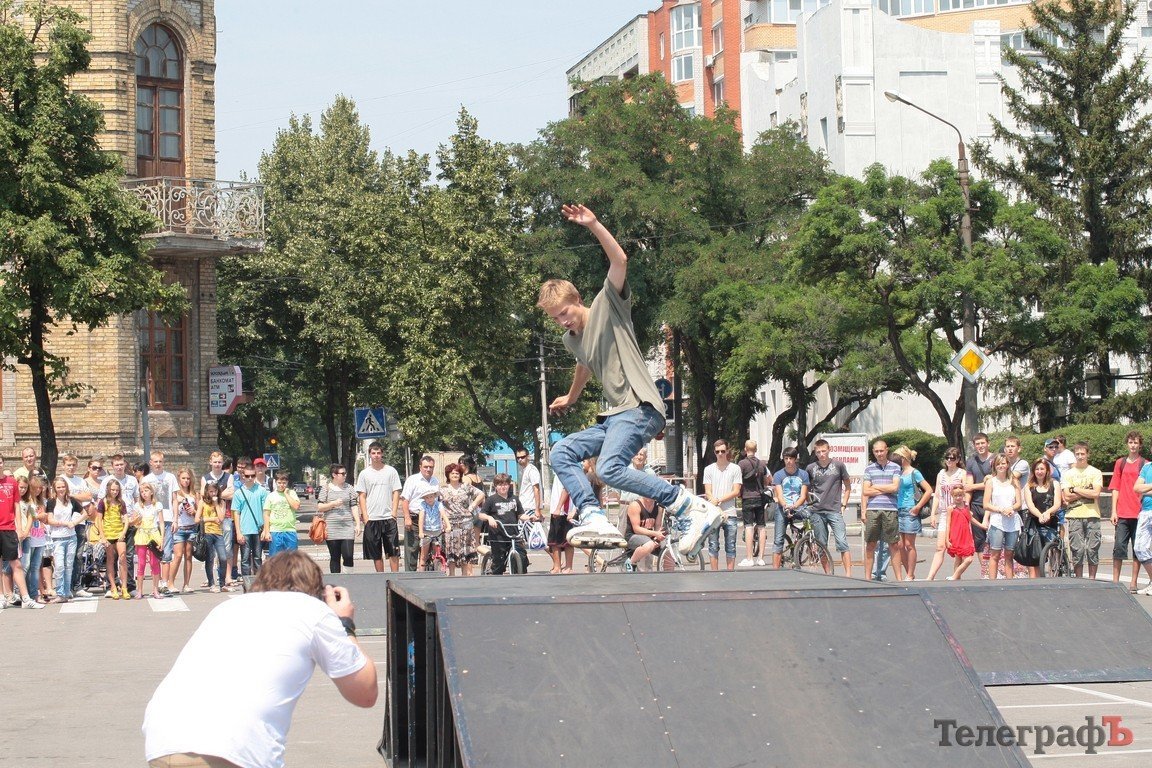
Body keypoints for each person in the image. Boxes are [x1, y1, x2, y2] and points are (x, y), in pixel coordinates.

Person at [540, 203, 722, 553]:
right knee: (561, 451)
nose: (563, 322)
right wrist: (572, 395)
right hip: (615, 417)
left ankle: (686, 504)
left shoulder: (609, 304)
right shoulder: (570, 339)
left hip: (640, 407)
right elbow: (586, 362)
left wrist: (593, 224)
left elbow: (620, 261)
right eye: (555, 318)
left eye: (565, 313)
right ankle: (592, 513)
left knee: (608, 467)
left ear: (577, 300)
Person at [143, 550, 377, 768]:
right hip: (231, 749)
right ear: (317, 591)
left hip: (162, 740)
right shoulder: (313, 610)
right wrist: (344, 623)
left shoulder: (228, 607)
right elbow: (365, 693)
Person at [804, 438, 852, 576]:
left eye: (824, 451)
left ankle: (848, 574)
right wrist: (809, 502)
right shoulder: (811, 468)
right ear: (815, 452)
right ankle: (828, 574)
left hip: (834, 509)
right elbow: (806, 488)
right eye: (818, 452)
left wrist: (844, 504)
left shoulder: (838, 465)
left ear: (829, 450)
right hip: (817, 511)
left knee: (842, 542)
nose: (821, 454)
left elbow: (848, 486)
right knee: (821, 544)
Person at [1, 459, 44, 609]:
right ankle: (3, 596)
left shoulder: (11, 483)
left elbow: (18, 507)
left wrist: (20, 529)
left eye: (0, 461)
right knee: (4, 567)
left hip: (11, 529)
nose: (23, 489)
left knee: (18, 564)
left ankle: (26, 598)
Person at [355, 442, 403, 573]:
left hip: (388, 517)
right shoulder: (364, 474)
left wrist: (393, 513)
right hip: (372, 518)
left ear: (382, 454)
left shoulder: (390, 471)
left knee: (393, 551)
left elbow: (396, 492)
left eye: (378, 453)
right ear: (369, 454)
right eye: (373, 453)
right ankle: (381, 578)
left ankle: (395, 578)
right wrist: (365, 517)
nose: (376, 456)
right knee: (376, 554)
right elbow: (362, 496)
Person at [1108, 431, 1146, 590]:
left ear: (1140, 445)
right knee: (1119, 548)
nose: (1133, 445)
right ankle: (1116, 582)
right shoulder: (1120, 463)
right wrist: (1113, 511)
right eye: (1131, 442)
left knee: (1137, 549)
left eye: (1136, 443)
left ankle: (1133, 582)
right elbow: (1115, 487)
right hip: (1122, 512)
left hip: (1138, 512)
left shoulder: (1145, 464)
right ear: (1127, 444)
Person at [1061, 442, 1103, 579]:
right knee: (1077, 549)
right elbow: (1067, 496)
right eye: (1077, 454)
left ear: (1087, 454)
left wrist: (1076, 489)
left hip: (1092, 515)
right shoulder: (1068, 474)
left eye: (1082, 454)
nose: (1080, 457)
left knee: (1092, 549)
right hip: (1074, 515)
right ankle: (1079, 579)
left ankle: (1092, 579)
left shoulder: (1095, 472)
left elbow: (1096, 493)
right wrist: (1086, 491)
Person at [926, 448, 969, 581]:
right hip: (945, 512)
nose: (950, 461)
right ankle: (930, 576)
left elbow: (966, 492)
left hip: (958, 512)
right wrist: (933, 514)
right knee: (940, 546)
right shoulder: (941, 474)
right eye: (948, 458)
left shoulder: (962, 473)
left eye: (953, 458)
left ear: (958, 460)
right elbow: (937, 495)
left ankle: (957, 576)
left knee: (958, 549)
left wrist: (965, 509)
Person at [891, 445, 932, 581]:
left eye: (897, 458)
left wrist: (918, 506)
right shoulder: (898, 472)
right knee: (900, 545)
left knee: (909, 544)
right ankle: (908, 572)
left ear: (903, 458)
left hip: (910, 509)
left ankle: (910, 574)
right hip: (898, 509)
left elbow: (928, 490)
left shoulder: (914, 473)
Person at [862, 440, 901, 581]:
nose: (879, 454)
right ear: (873, 452)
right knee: (871, 543)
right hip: (873, 509)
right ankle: (867, 578)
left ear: (887, 450)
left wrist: (876, 487)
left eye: (881, 451)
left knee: (893, 544)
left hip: (890, 509)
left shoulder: (895, 467)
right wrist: (885, 488)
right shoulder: (869, 469)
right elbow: (866, 491)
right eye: (876, 451)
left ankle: (899, 579)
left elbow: (895, 488)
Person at [703, 439, 742, 571]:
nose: (720, 454)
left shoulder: (735, 468)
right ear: (714, 452)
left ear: (727, 452)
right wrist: (713, 500)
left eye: (723, 451)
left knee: (730, 545)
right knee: (713, 544)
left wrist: (718, 499)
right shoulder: (708, 469)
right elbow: (707, 491)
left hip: (730, 512)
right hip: (714, 513)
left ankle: (730, 574)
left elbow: (736, 491)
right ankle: (715, 574)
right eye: (718, 451)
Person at [143, 451, 179, 595]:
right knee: (153, 555)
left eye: (160, 462)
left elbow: (175, 499)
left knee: (166, 552)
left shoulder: (170, 477)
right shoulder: (146, 479)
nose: (158, 464)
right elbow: (141, 500)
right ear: (151, 463)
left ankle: (165, 584)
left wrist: (176, 519)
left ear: (163, 462)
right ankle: (155, 586)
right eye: (155, 462)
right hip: (151, 521)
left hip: (168, 518)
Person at [477, 473, 527, 575]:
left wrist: (531, 518)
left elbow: (521, 515)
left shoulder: (514, 499)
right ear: (495, 486)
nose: (503, 487)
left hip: (513, 534)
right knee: (498, 564)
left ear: (509, 485)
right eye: (500, 485)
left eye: (505, 484)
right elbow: (481, 515)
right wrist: (489, 518)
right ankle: (494, 573)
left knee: (522, 556)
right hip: (498, 536)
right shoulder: (491, 500)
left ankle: (519, 575)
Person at [439, 463, 483, 577]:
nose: (454, 475)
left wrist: (472, 507)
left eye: (457, 473)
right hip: (450, 524)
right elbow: (436, 504)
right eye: (452, 473)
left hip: (466, 523)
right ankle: (452, 575)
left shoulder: (466, 486)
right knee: (451, 551)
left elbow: (481, 494)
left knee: (466, 551)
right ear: (448, 475)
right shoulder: (442, 490)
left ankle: (465, 576)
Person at [983, 453, 1022, 581]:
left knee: (1009, 554)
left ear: (1007, 465)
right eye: (998, 463)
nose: (1001, 466)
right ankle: (992, 583)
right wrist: (1000, 510)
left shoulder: (1014, 481)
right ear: (995, 465)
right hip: (997, 521)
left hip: (1012, 521)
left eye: (1003, 463)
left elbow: (1019, 503)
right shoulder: (990, 482)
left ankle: (1009, 582)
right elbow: (986, 504)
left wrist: (1011, 509)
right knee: (995, 553)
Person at [47, 476, 86, 603]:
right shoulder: (51, 502)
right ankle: (60, 592)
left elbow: (86, 513)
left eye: (63, 487)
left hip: (71, 537)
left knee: (69, 565)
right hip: (57, 538)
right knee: (59, 566)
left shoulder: (72, 501)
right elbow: (50, 520)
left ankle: (67, 591)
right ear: (55, 488)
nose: (61, 489)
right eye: (58, 487)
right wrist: (63, 523)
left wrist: (74, 522)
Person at [771, 446, 811, 569]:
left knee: (811, 517)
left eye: (791, 458)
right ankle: (775, 570)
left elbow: (803, 495)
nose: (788, 461)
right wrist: (785, 506)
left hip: (798, 506)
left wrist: (795, 506)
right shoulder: (778, 475)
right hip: (783, 507)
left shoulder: (803, 474)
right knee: (778, 540)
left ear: (795, 459)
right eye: (786, 458)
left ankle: (809, 544)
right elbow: (779, 494)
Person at [201, 451, 236, 588]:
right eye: (215, 462)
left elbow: (232, 493)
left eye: (219, 462)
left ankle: (227, 577)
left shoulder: (229, 476)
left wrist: (216, 495)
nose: (217, 464)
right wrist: (222, 494)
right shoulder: (205, 477)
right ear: (210, 462)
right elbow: (205, 497)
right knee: (211, 552)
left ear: (222, 463)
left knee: (226, 549)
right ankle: (211, 579)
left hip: (226, 516)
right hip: (210, 519)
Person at [316, 464, 358, 575]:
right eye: (342, 473)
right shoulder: (326, 488)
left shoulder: (349, 488)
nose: (345, 475)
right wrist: (333, 504)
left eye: (345, 473)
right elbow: (320, 507)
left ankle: (348, 580)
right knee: (335, 557)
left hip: (347, 526)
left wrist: (358, 523)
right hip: (332, 527)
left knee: (348, 555)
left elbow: (354, 506)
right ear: (334, 475)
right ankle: (336, 583)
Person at [1024, 458, 1061, 579]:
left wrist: (1047, 513)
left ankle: (1053, 573)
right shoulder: (1029, 486)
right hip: (1034, 521)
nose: (1039, 471)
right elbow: (1030, 505)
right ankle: (1035, 579)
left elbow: (1057, 504)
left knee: (1052, 549)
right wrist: (1040, 515)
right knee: (1035, 553)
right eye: (1037, 469)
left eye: (1042, 469)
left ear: (1047, 471)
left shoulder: (1054, 484)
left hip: (1051, 520)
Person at [400, 455, 439, 572]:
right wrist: (407, 518)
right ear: (420, 467)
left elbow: (438, 502)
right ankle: (409, 578)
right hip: (414, 520)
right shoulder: (413, 480)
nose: (428, 469)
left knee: (429, 553)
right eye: (426, 467)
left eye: (431, 467)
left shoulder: (435, 481)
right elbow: (405, 500)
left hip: (431, 521)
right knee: (412, 550)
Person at [738, 440, 771, 568]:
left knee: (748, 526)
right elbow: (767, 480)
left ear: (745, 449)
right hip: (759, 497)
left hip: (747, 497)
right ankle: (761, 558)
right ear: (756, 450)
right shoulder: (762, 464)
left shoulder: (742, 464)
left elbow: (738, 480)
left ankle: (749, 557)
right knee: (762, 526)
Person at [965, 433, 994, 578]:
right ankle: (986, 572)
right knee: (979, 541)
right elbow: (967, 487)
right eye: (978, 444)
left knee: (995, 540)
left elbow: (996, 482)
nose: (980, 446)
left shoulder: (996, 459)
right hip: (975, 504)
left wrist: (978, 485)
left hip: (993, 505)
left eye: (983, 443)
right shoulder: (971, 461)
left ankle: (997, 571)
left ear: (988, 443)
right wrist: (966, 505)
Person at [97, 478, 131, 600]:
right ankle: (113, 586)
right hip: (108, 534)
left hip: (119, 533)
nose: (114, 492)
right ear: (108, 489)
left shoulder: (121, 503)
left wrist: (123, 532)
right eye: (112, 490)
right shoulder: (103, 502)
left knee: (122, 558)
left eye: (117, 490)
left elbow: (126, 519)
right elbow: (99, 520)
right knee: (110, 559)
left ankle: (124, 587)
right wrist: (103, 536)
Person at [233, 465, 269, 576]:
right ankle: (247, 584)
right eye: (247, 476)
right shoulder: (238, 493)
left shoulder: (262, 491)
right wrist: (238, 532)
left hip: (258, 529)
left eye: (252, 475)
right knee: (245, 559)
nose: (250, 478)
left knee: (258, 558)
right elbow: (236, 513)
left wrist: (266, 530)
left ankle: (258, 583)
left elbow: (266, 511)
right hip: (245, 529)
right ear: (243, 476)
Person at [131, 482, 165, 600]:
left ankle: (155, 589)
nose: (144, 493)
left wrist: (162, 538)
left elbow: (161, 522)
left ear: (151, 492)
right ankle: (139, 590)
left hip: (154, 534)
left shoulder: (157, 505)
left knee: (154, 563)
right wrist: (137, 521)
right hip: (142, 534)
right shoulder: (138, 506)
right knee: (141, 563)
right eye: (141, 491)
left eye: (146, 491)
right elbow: (134, 523)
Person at [17, 477, 48, 605]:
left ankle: (34, 594)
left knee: (35, 567)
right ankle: (22, 593)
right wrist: (39, 516)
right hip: (29, 537)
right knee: (25, 566)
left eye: (40, 488)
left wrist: (41, 516)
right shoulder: (27, 501)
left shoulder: (41, 502)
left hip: (40, 537)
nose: (38, 491)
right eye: (36, 488)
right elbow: (31, 516)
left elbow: (45, 518)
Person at [168, 467, 199, 594]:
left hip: (191, 527)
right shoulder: (175, 494)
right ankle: (170, 583)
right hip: (179, 527)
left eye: (188, 478)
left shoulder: (194, 494)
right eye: (183, 478)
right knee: (178, 555)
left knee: (188, 556)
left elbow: (199, 513)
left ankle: (186, 584)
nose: (186, 481)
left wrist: (194, 511)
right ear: (179, 479)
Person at [198, 482, 230, 592]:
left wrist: (216, 504)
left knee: (223, 558)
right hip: (207, 532)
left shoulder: (221, 502)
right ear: (207, 491)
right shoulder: (203, 502)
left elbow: (221, 518)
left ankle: (222, 583)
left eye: (215, 491)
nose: (213, 493)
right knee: (210, 558)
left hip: (218, 533)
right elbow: (197, 519)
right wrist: (211, 519)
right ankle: (211, 584)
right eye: (210, 491)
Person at [945, 486, 982, 580]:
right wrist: (947, 539)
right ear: (952, 496)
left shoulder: (966, 506)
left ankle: (955, 576)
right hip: (956, 535)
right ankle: (956, 577)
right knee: (959, 558)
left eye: (960, 495)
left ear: (963, 495)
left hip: (966, 535)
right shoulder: (951, 508)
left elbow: (970, 518)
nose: (958, 497)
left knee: (966, 559)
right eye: (956, 496)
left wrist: (981, 526)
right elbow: (948, 524)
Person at [262, 472, 301, 557]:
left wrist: (286, 494)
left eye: (284, 483)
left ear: (287, 483)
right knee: (275, 559)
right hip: (275, 531)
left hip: (290, 530)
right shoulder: (271, 496)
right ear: (275, 482)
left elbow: (296, 506)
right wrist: (267, 531)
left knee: (292, 559)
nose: (281, 485)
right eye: (279, 483)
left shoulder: (292, 493)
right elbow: (266, 514)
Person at [621, 496, 664, 571]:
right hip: (633, 536)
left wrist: (657, 538)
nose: (649, 495)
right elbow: (636, 529)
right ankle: (630, 563)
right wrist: (655, 534)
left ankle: (669, 574)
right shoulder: (635, 505)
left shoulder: (658, 507)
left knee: (667, 548)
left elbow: (657, 526)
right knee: (649, 544)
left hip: (649, 537)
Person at [414, 483, 449, 570]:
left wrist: (448, 526)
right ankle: (421, 572)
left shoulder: (439, 504)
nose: (429, 499)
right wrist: (421, 532)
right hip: (426, 531)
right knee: (423, 556)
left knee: (436, 552)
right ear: (424, 498)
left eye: (431, 496)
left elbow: (444, 515)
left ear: (434, 496)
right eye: (427, 497)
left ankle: (437, 567)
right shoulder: (423, 505)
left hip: (437, 531)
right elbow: (421, 518)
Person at [515, 449, 543, 522]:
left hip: (530, 508)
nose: (520, 459)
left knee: (530, 532)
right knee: (523, 532)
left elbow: (536, 489)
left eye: (522, 457)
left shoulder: (531, 470)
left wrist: (537, 509)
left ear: (528, 457)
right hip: (524, 507)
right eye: (518, 458)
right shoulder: (525, 470)